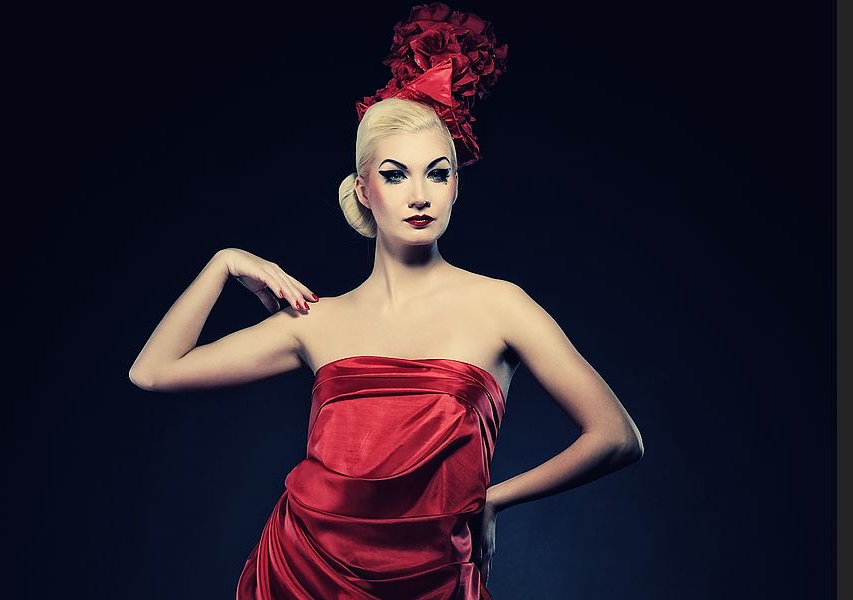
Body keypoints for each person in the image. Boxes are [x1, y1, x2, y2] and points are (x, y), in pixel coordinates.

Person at [129, 5, 643, 599]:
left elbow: (616, 437)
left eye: (439, 173)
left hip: (434, 578)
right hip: (302, 572)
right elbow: (152, 371)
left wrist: (492, 500)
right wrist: (223, 263)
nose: (420, 195)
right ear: (363, 190)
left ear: (456, 186)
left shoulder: (501, 306)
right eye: (396, 175)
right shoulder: (315, 320)